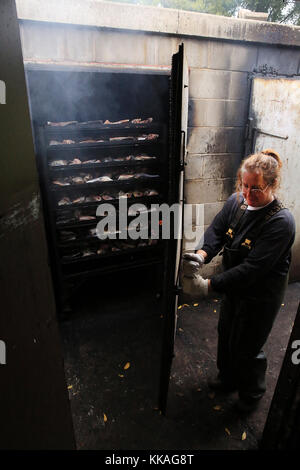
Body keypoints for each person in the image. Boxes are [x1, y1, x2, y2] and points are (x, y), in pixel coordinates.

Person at [182, 149, 296, 413]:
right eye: (243, 185)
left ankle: (252, 392)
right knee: (227, 332)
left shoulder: (281, 221)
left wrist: (209, 286)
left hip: (261, 293)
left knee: (247, 343)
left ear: (272, 185)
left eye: (255, 188)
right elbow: (217, 231)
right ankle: (227, 378)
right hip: (235, 287)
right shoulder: (237, 202)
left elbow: (253, 269)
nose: (247, 193)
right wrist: (201, 254)